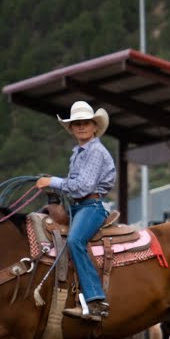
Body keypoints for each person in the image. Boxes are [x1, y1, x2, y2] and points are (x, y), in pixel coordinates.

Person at [36, 100, 116, 322]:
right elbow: (73, 186)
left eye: (85, 123)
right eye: (76, 124)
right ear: (71, 129)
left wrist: (52, 180)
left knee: (74, 241)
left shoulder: (95, 152)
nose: (81, 127)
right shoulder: (79, 153)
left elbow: (83, 186)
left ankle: (96, 300)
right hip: (78, 206)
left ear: (94, 126)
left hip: (92, 206)